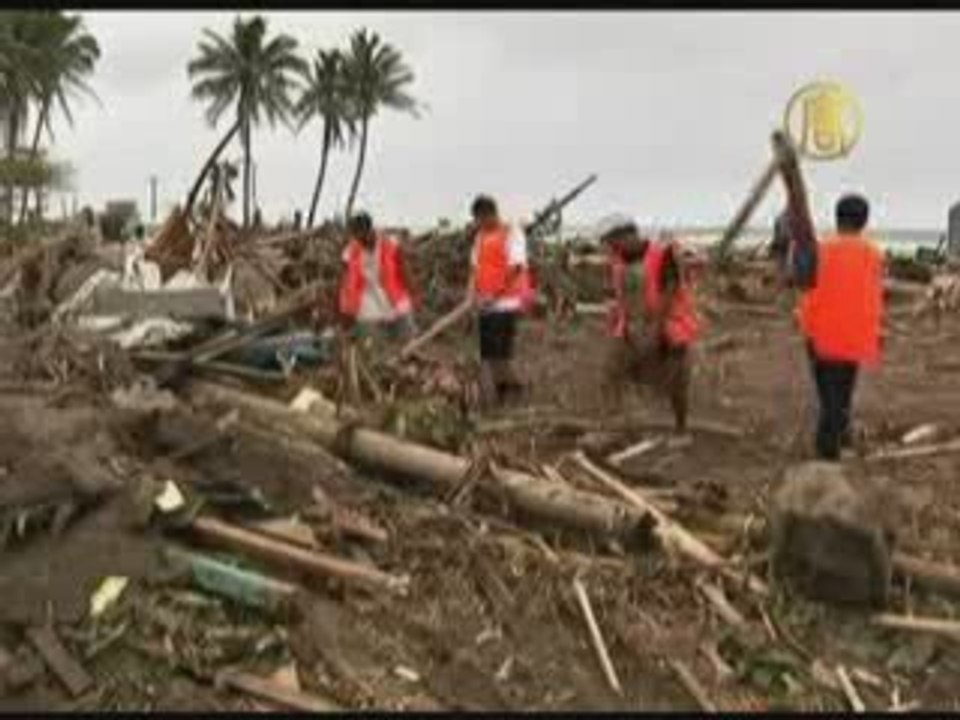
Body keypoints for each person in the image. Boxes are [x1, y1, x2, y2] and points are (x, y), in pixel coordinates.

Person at [796, 193, 884, 461]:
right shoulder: (874, 254)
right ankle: (838, 439)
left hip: (819, 334)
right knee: (843, 390)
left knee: (829, 395)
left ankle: (827, 451)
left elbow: (802, 283)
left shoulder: (820, 250)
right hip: (855, 336)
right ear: (864, 220)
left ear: (837, 218)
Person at [597, 215, 700, 435]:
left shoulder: (662, 253)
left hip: (670, 325)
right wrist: (619, 321)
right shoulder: (619, 259)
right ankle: (613, 427)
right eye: (608, 244)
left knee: (676, 381)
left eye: (613, 242)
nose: (611, 248)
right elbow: (622, 294)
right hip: (632, 325)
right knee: (611, 372)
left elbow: (669, 291)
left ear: (629, 235)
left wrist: (656, 330)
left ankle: (681, 428)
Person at [467, 194, 533, 406]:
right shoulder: (480, 237)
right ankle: (503, 391)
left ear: (489, 214)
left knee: (501, 354)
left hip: (506, 304)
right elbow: (474, 269)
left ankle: (514, 389)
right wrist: (470, 295)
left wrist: (492, 297)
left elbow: (515, 269)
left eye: (479, 219)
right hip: (485, 304)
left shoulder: (512, 232)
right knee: (489, 354)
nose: (478, 224)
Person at [337, 211, 417, 342]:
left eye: (361, 235)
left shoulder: (390, 244)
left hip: (395, 298)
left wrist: (414, 293)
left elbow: (405, 271)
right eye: (356, 236)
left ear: (369, 229)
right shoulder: (350, 251)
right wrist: (345, 310)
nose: (359, 240)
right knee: (373, 345)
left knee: (408, 340)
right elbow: (345, 284)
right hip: (367, 303)